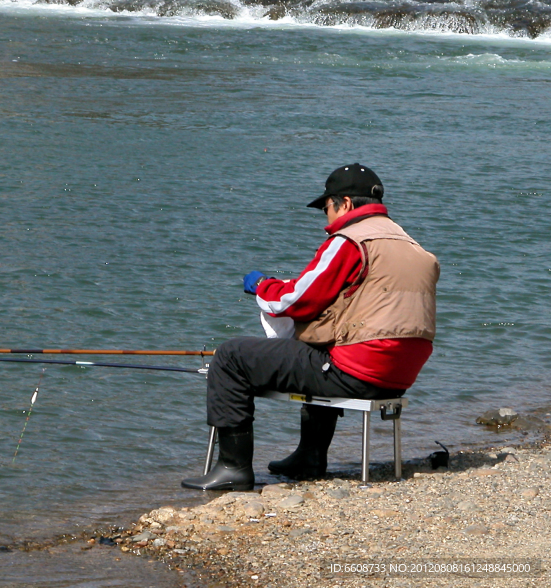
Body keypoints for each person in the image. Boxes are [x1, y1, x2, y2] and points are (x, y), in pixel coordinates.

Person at [182, 164, 439, 490]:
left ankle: (233, 468)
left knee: (231, 356)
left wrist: (262, 285)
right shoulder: (411, 244)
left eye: (327, 207)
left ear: (344, 203)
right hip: (399, 376)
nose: (326, 218)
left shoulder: (350, 240)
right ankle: (309, 457)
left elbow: (295, 302)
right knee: (318, 348)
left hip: (357, 372)